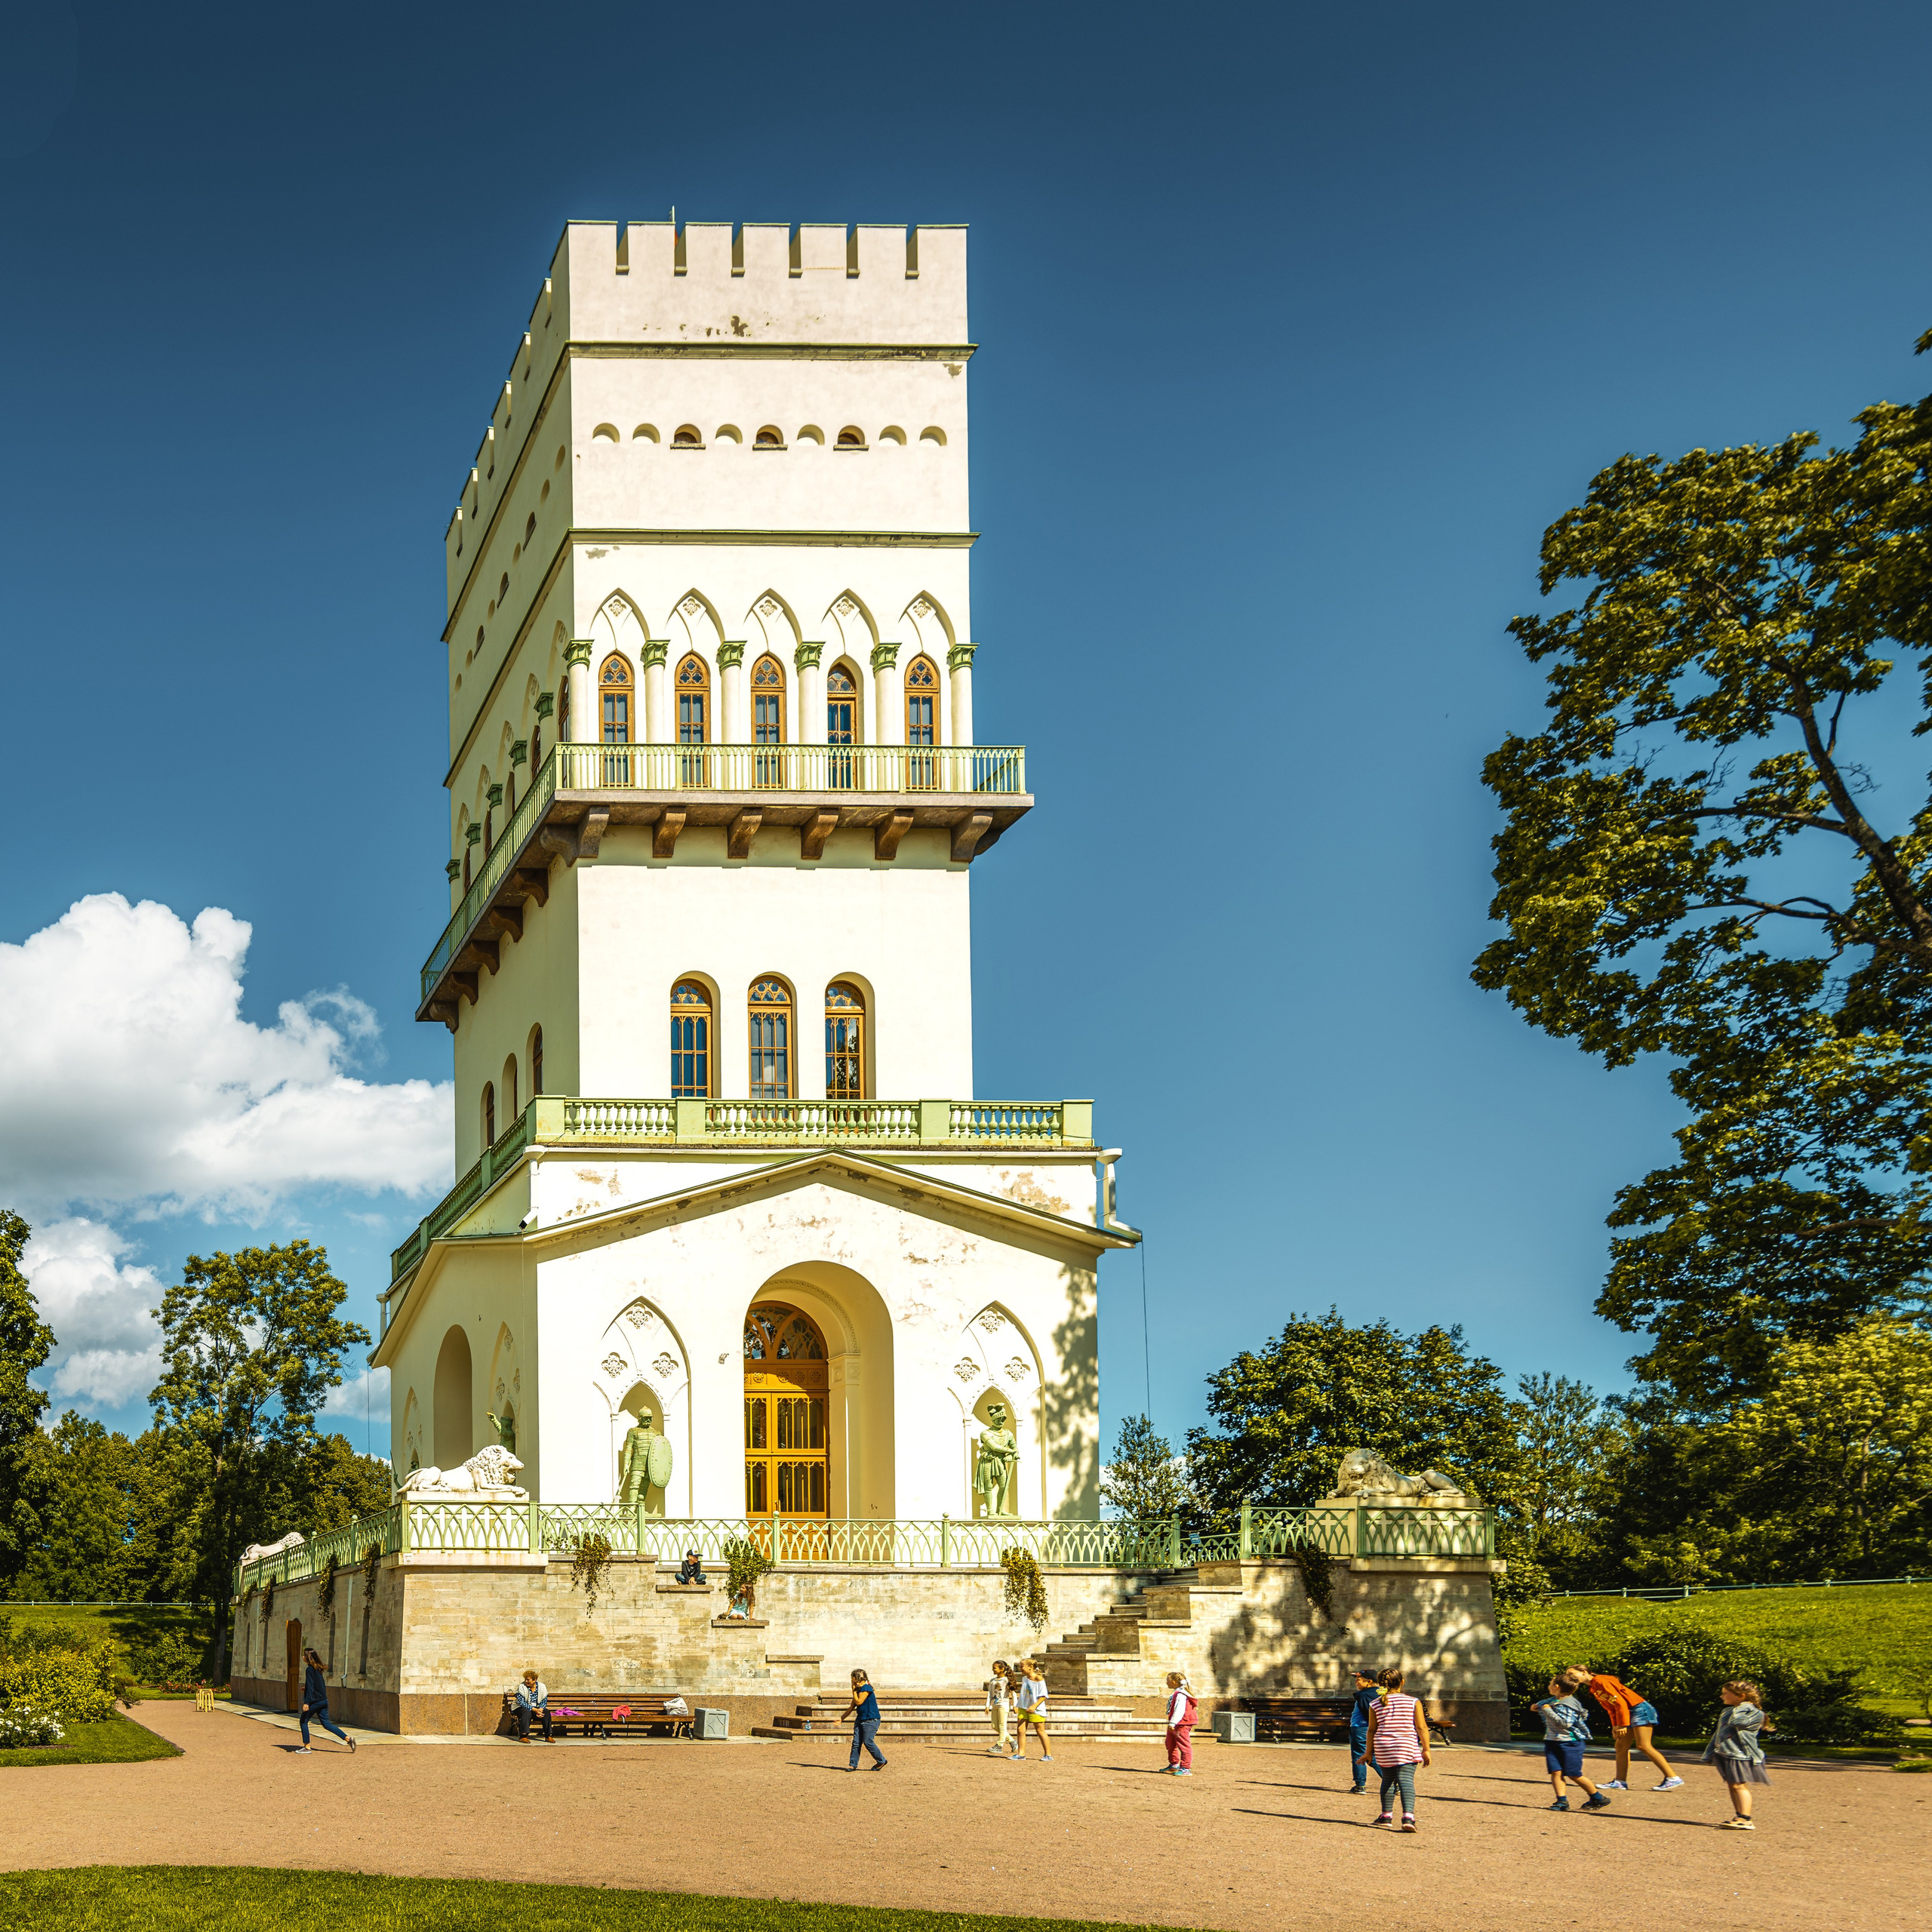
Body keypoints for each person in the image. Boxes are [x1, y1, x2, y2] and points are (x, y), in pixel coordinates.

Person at [1563, 1666, 1684, 1792]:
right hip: (1629, 1712)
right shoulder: (1593, 1687)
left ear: (1584, 1672)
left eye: (1571, 1673)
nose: (1569, 1676)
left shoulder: (1600, 1681)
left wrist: (1622, 1724)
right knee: (1621, 1747)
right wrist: (1616, 1726)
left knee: (1643, 1745)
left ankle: (1672, 1777)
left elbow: (1620, 1703)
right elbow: (1611, 1707)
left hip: (1638, 1710)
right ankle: (1620, 1782)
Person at [1532, 1676, 1612, 1812]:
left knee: (1574, 1774)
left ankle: (1598, 1797)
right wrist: (1538, 1706)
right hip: (1552, 1742)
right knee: (1556, 1772)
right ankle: (1561, 1801)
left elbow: (1565, 1723)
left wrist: (1547, 1710)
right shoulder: (1554, 1700)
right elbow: (1544, 1703)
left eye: (1551, 1683)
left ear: (1556, 1687)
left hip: (1570, 1743)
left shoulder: (1569, 1704)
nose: (1549, 1686)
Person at [1703, 1678, 1774, 1829]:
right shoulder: (1727, 1711)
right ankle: (1739, 1815)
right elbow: (1718, 1735)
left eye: (1725, 1693)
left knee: (1739, 1786)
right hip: (1725, 1753)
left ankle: (1746, 1818)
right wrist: (1709, 1753)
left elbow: (1737, 1723)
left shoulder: (1754, 1713)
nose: (1722, 1697)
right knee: (1733, 1786)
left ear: (1741, 1696)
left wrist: (1744, 1706)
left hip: (1741, 1755)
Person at [1364, 1667, 1428, 1830]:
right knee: (1406, 1780)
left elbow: (1371, 1729)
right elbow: (1421, 1728)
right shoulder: (1413, 1701)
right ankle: (1408, 1817)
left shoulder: (1375, 1703)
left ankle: (1386, 1816)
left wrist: (1368, 1752)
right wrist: (1426, 1749)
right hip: (1406, 1746)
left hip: (1383, 1747)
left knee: (1388, 1780)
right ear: (1402, 1682)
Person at [295, 1647, 354, 1755]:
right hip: (323, 1701)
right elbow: (316, 1684)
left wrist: (306, 1702)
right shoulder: (318, 1668)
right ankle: (348, 1739)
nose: (302, 1657)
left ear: (308, 1657)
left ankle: (307, 1747)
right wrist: (307, 1688)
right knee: (326, 1724)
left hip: (315, 1702)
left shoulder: (309, 1669)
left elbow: (312, 1684)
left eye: (304, 1655)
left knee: (303, 1721)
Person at [842, 1669, 887, 1771]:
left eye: (852, 1678)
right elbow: (851, 1707)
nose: (851, 1681)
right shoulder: (859, 1690)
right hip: (860, 1719)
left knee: (868, 1742)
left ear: (856, 1678)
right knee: (856, 1743)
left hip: (871, 1720)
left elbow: (858, 1702)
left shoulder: (866, 1688)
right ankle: (853, 1764)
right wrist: (841, 1719)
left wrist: (853, 1690)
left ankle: (881, 1760)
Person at [1347, 1668, 1380, 1794]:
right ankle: (1395, 1782)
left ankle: (1360, 1785)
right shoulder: (1381, 1693)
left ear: (1369, 1682)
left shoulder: (1364, 1695)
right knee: (1373, 1756)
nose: (1356, 1682)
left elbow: (1369, 1713)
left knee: (1360, 1755)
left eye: (1358, 1679)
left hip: (1361, 1728)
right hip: (1370, 1729)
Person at [1015, 1660, 1053, 1761]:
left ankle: (1048, 1755)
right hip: (1023, 1707)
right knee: (1020, 1730)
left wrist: (1034, 1706)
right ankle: (1021, 1754)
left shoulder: (1038, 1678)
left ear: (1030, 1667)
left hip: (1036, 1709)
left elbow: (1044, 1695)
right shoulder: (1024, 1678)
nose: (1020, 1669)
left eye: (1022, 1666)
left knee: (1040, 1731)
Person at [1163, 1672, 1198, 1776]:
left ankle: (1186, 1768)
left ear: (1173, 1682)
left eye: (1167, 1680)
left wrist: (1172, 1723)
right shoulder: (1177, 1693)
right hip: (1176, 1723)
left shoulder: (1181, 1695)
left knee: (1184, 1745)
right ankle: (1174, 1765)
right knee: (1170, 1743)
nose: (1166, 1682)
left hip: (1181, 1723)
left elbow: (1179, 1710)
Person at [985, 1660, 1015, 1757]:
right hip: (995, 1705)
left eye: (995, 1668)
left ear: (1002, 1669)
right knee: (994, 1726)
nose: (993, 1669)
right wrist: (987, 1705)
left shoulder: (1006, 1680)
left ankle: (999, 1745)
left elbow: (1013, 1694)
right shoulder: (992, 1681)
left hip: (1004, 1705)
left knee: (1002, 1726)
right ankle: (1013, 1741)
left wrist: (1015, 1705)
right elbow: (990, 1693)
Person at [515, 1669, 553, 1743]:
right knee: (526, 1712)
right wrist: (535, 1710)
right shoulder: (522, 1687)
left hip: (537, 1709)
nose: (526, 1681)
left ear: (534, 1680)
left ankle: (548, 1735)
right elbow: (521, 1702)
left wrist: (540, 1710)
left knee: (546, 1712)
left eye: (528, 1680)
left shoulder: (542, 1687)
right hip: (520, 1708)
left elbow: (544, 1700)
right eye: (525, 1680)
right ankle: (523, 1736)